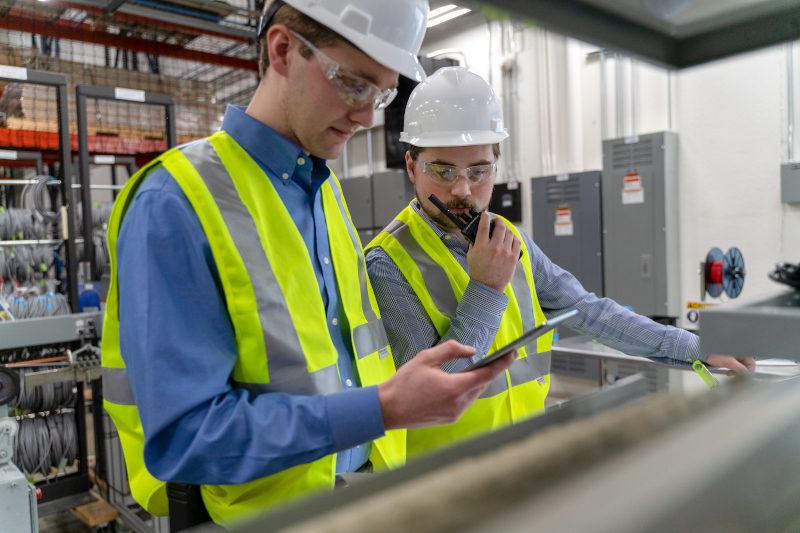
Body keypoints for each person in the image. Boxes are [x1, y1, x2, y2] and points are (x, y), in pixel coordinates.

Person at [100, 5, 515, 526]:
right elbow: (186, 438)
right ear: (281, 51)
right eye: (355, 85)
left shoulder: (324, 193)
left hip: (363, 499)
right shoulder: (175, 201)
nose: (367, 117)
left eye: (382, 94)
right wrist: (382, 409)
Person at [365, 66, 756, 457]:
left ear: (495, 168)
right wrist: (485, 290)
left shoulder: (509, 241)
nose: (462, 189)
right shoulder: (387, 263)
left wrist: (697, 347)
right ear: (412, 166)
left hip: (521, 462)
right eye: (443, 170)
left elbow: (590, 313)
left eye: (479, 171)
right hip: (442, 485)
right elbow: (427, 392)